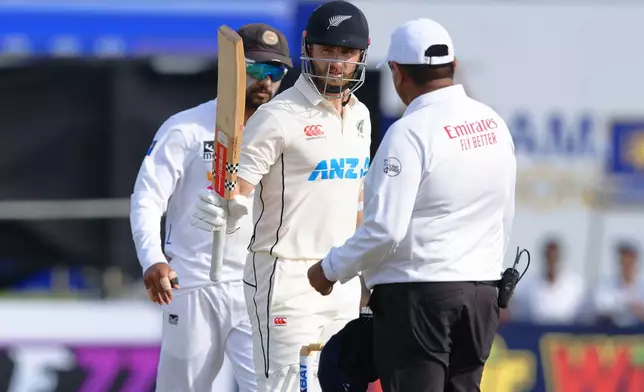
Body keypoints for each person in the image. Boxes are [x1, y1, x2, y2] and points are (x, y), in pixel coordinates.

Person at [307, 18, 517, 392]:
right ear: (453, 66)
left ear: (397, 73)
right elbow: (504, 213)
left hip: (420, 297)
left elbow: (386, 229)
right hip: (482, 295)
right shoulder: (493, 124)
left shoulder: (409, 132)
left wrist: (330, 269)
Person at [189, 1, 372, 391]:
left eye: (346, 54)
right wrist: (228, 207)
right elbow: (238, 188)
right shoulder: (278, 116)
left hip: (341, 277)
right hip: (286, 278)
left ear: (362, 54)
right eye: (327, 52)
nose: (336, 64)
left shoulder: (361, 117)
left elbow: (357, 200)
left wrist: (367, 278)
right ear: (308, 47)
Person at [129, 23, 293, 392]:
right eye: (255, 69)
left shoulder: (284, 133)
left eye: (275, 72)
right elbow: (147, 197)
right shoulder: (185, 128)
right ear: (231, 69)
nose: (265, 82)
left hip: (258, 287)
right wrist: (152, 258)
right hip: (193, 284)